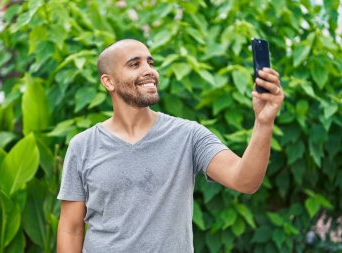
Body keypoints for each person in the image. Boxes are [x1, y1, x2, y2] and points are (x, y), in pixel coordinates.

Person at [56, 39, 284, 253]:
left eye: (150, 62)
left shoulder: (189, 136)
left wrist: (264, 122)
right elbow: (71, 228)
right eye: (135, 64)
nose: (149, 71)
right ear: (109, 81)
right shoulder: (83, 146)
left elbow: (245, 181)